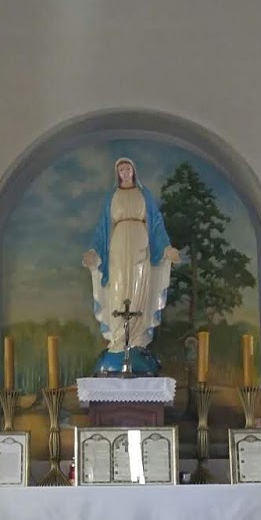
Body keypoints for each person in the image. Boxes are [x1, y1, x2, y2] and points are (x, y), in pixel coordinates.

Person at [82, 157, 179, 375]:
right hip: (117, 249)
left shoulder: (144, 196)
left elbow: (156, 224)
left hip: (140, 248)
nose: (124, 172)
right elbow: (102, 230)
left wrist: (166, 249)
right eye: (121, 170)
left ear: (133, 171)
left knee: (138, 291)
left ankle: (136, 340)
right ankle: (118, 340)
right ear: (117, 174)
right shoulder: (113, 197)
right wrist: (94, 252)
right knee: (118, 291)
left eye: (127, 169)